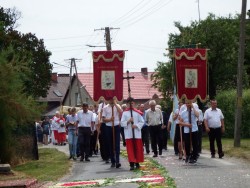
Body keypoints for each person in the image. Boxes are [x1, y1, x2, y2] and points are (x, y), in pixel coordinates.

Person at [121, 97, 144, 170]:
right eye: (129, 103)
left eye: (132, 103)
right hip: (129, 134)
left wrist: (136, 125)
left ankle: (137, 163)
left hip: (136, 134)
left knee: (137, 148)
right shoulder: (125, 113)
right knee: (130, 149)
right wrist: (128, 121)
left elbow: (142, 121)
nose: (131, 104)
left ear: (134, 103)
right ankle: (131, 164)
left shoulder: (137, 112)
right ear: (127, 104)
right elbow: (122, 123)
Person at [102, 97, 122, 168]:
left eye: (113, 99)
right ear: (108, 100)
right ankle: (113, 161)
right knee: (110, 144)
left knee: (117, 144)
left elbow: (121, 112)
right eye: (110, 99)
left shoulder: (117, 106)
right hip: (108, 127)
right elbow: (103, 119)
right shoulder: (105, 108)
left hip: (116, 126)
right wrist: (110, 119)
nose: (111, 101)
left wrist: (116, 104)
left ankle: (117, 161)